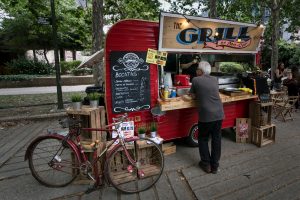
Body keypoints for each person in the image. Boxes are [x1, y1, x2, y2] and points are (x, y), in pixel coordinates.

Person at [189, 61, 225, 174]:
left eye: (197, 69)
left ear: (201, 71)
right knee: (216, 139)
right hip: (219, 113)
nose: (196, 71)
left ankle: (206, 164)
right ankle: (215, 166)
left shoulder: (196, 80)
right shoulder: (215, 79)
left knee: (203, 138)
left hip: (206, 114)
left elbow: (191, 95)